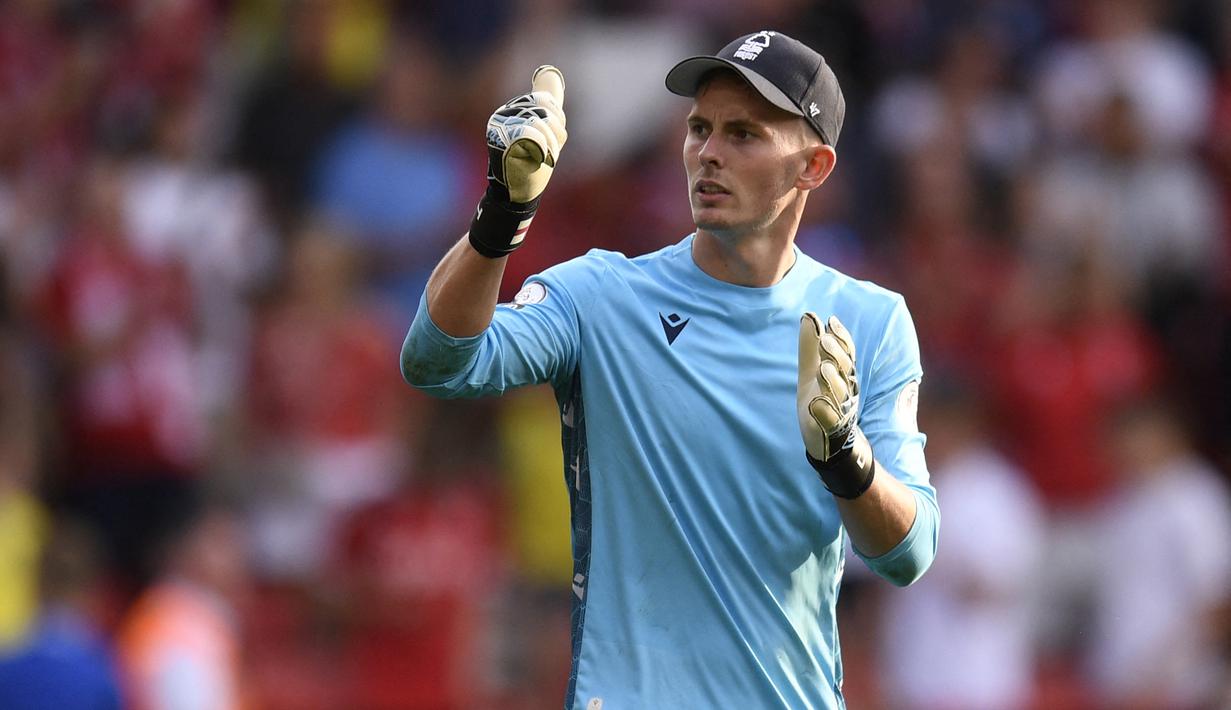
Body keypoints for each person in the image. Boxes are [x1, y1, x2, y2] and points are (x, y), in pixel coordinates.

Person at [401, 31, 939, 709]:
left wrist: (844, 460)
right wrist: (499, 218)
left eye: (743, 134)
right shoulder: (601, 297)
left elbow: (908, 553)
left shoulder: (868, 321)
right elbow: (437, 362)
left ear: (813, 166)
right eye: (699, 129)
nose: (708, 153)